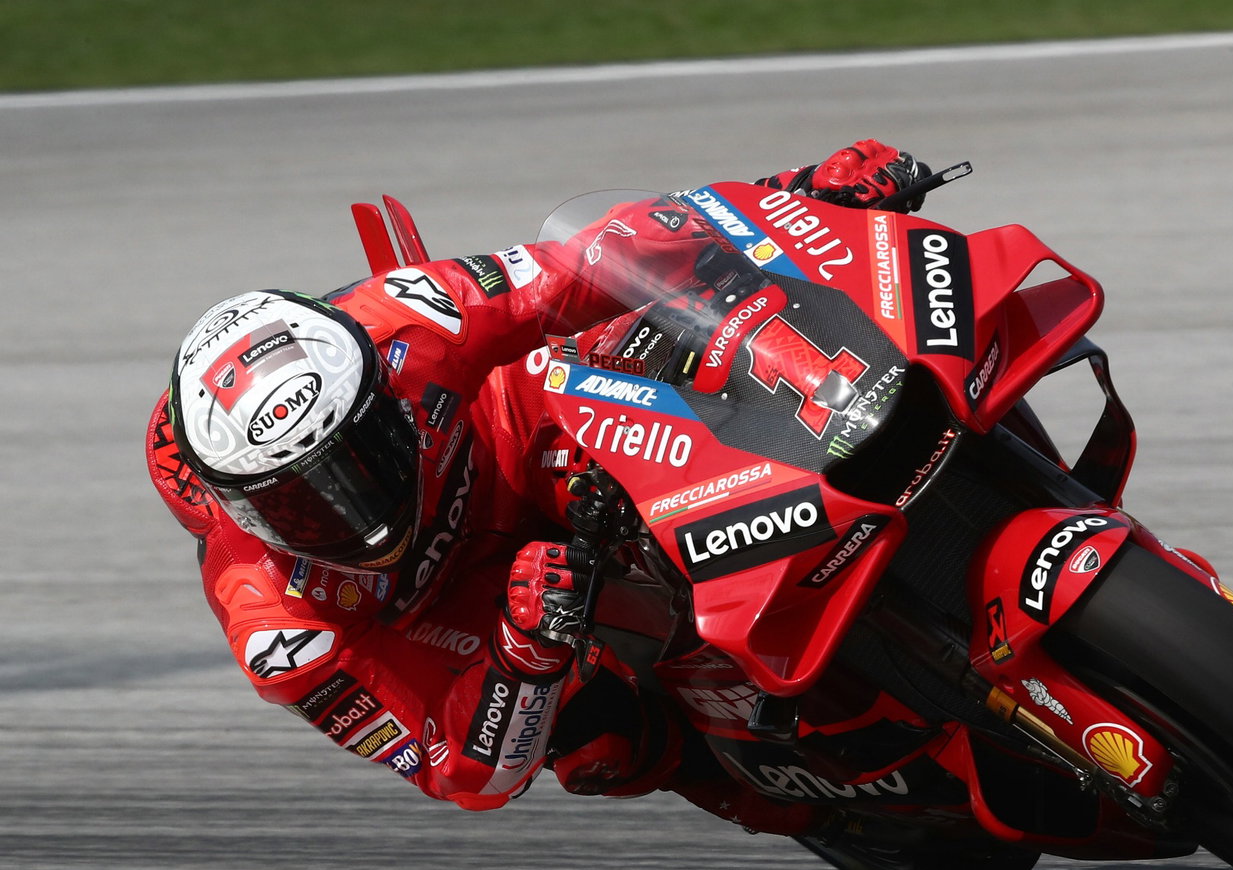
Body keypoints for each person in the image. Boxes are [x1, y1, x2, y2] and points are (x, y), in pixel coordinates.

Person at [145, 140, 932, 829]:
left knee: (664, 332)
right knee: (597, 738)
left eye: (353, 461)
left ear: (382, 392)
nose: (348, 512)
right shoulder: (277, 628)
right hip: (464, 612)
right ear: (235, 508)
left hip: (517, 441)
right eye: (294, 503)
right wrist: (522, 655)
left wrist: (795, 193)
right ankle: (820, 813)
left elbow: (590, 263)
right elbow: (461, 773)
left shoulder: (410, 320)